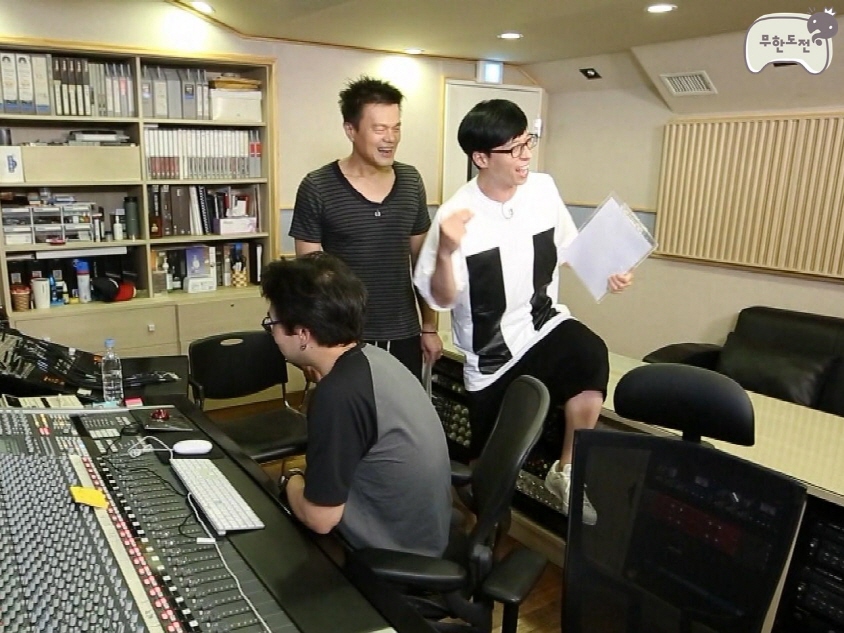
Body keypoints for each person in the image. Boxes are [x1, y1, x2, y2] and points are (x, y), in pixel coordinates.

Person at [413, 99, 633, 524]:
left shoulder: (543, 189)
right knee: (488, 473)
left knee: (589, 354)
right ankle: (481, 526)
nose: (526, 155)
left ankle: (566, 470)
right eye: (514, 148)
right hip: (492, 354)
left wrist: (609, 273)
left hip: (542, 324)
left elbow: (569, 247)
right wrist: (446, 252)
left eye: (527, 142)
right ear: (481, 158)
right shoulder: (456, 214)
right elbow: (441, 298)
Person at [263, 252, 452, 555]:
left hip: (394, 554)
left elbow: (320, 519)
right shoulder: (375, 359)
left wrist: (289, 479)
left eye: (271, 323)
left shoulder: (338, 394)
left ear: (302, 334)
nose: (271, 333)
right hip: (425, 533)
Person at [290, 76, 442, 381]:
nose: (390, 138)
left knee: (402, 410)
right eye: (379, 129)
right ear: (351, 130)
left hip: (404, 332)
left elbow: (422, 264)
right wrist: (311, 346)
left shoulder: (411, 181)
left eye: (396, 128)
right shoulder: (317, 186)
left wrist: (429, 327)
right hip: (341, 338)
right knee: (350, 411)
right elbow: (309, 279)